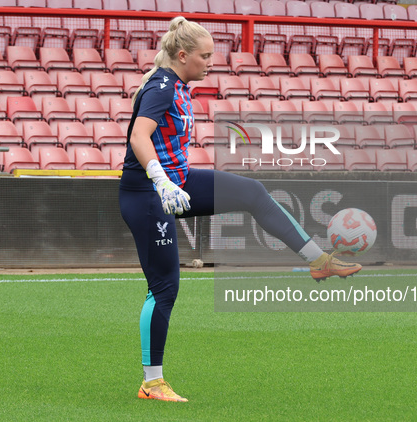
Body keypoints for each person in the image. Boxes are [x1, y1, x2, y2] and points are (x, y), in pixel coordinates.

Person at [118, 16, 362, 403]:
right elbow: (138, 136)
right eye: (205, 56)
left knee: (253, 193)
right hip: (148, 195)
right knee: (164, 288)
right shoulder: (163, 87)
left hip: (176, 182)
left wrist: (171, 180)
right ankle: (151, 383)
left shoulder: (178, 85)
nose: (211, 61)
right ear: (182, 56)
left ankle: (319, 261)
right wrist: (160, 181)